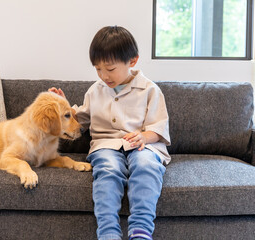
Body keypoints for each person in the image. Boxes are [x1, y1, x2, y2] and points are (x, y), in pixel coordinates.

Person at [49, 26, 171, 240]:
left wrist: (144, 136)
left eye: (110, 69)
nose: (104, 75)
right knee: (108, 169)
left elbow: (158, 129)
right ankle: (108, 232)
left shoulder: (150, 90)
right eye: (98, 69)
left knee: (146, 165)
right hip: (106, 146)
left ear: (132, 61)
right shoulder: (95, 90)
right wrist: (63, 106)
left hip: (142, 145)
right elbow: (80, 120)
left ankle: (140, 230)